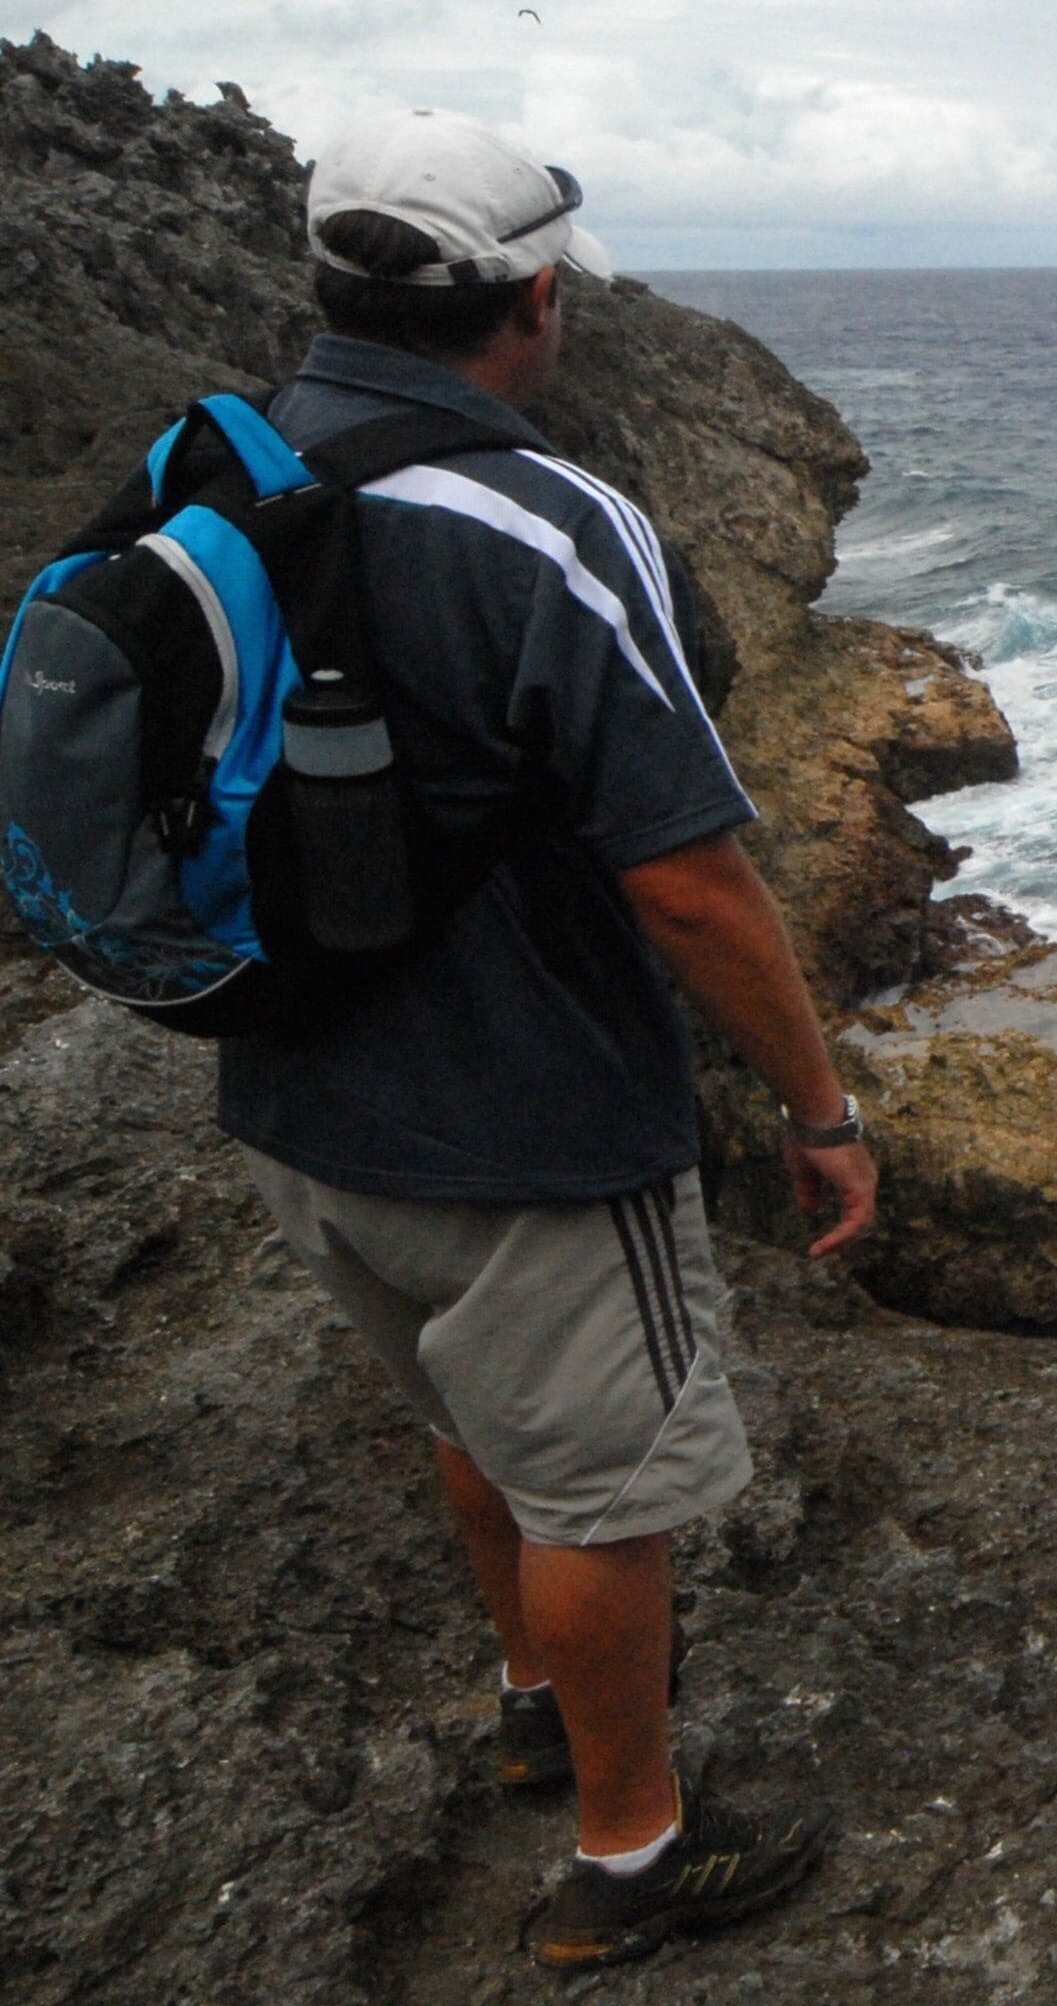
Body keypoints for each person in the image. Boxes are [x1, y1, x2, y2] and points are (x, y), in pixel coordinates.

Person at [238, 107, 871, 1970]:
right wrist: (819, 1106)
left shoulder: (228, 467)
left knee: (468, 1413)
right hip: (523, 1108)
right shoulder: (550, 520)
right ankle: (631, 1850)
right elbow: (690, 883)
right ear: (528, 300)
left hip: (297, 1085)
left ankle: (531, 1692)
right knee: (603, 1481)